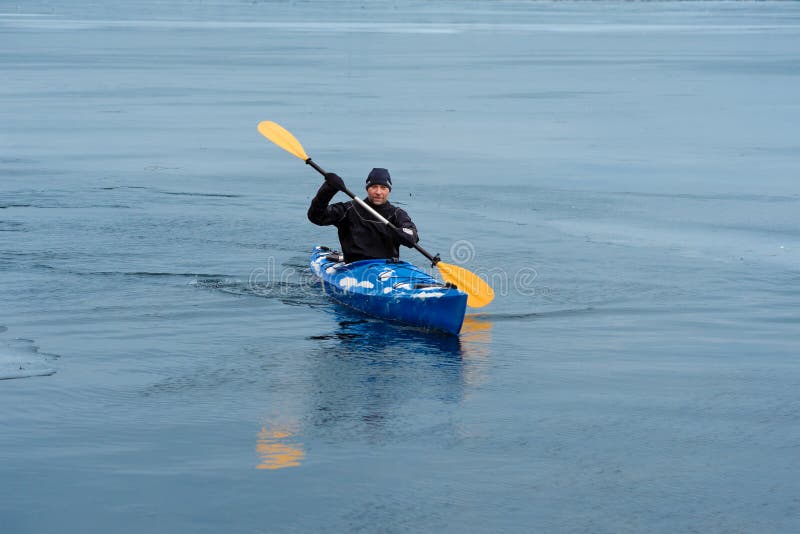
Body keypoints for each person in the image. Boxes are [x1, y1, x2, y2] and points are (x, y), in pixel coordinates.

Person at [307, 167, 419, 263]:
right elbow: (316, 216)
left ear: (389, 191)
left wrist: (406, 235)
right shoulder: (349, 210)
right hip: (354, 267)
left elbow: (412, 234)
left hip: (388, 268)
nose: (378, 192)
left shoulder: (397, 214)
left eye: (383, 188)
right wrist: (328, 190)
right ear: (367, 188)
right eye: (374, 187)